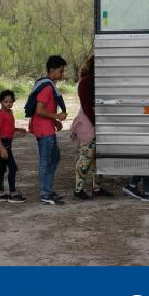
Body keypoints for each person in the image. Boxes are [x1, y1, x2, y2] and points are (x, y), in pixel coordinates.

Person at [71, 55, 113, 200]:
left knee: (96, 158)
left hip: (93, 122)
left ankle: (96, 187)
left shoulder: (90, 80)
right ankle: (79, 189)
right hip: (89, 124)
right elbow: (87, 106)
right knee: (87, 157)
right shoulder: (88, 81)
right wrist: (97, 123)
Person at [27, 55, 68, 205]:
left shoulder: (47, 85)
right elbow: (39, 110)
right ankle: (45, 193)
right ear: (52, 70)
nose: (62, 74)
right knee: (46, 161)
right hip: (44, 131)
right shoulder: (47, 88)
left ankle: (48, 189)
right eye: (61, 71)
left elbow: (44, 109)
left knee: (54, 158)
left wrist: (54, 121)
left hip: (47, 128)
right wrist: (56, 115)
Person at [0, 90, 27, 203]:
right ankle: (12, 193)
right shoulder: (0, 115)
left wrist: (18, 129)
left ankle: (1, 193)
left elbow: (8, 128)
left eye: (11, 101)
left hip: (7, 143)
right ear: (1, 102)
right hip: (3, 143)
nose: (8, 103)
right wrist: (1, 148)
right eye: (6, 101)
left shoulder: (9, 113)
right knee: (12, 167)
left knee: (2, 168)